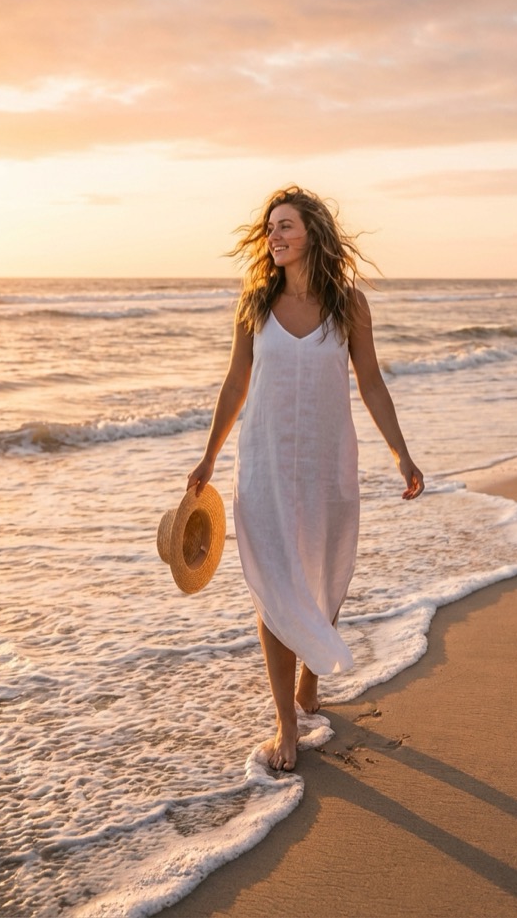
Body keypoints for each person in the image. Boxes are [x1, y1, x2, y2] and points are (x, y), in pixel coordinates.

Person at [187, 186, 423, 772]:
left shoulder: (349, 305)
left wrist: (400, 453)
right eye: (270, 227)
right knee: (273, 585)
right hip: (263, 461)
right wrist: (209, 455)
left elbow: (370, 383)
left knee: (324, 572)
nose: (275, 236)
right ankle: (286, 723)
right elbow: (235, 384)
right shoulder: (254, 303)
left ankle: (311, 680)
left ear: (312, 233)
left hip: (327, 459)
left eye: (286, 226)